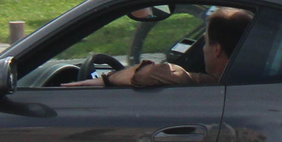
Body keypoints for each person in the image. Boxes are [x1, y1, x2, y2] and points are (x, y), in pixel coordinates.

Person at [66, 7, 253, 88]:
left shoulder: (209, 84)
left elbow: (154, 74)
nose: (202, 50)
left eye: (204, 43)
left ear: (217, 50)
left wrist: (108, 80)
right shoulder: (254, 80)